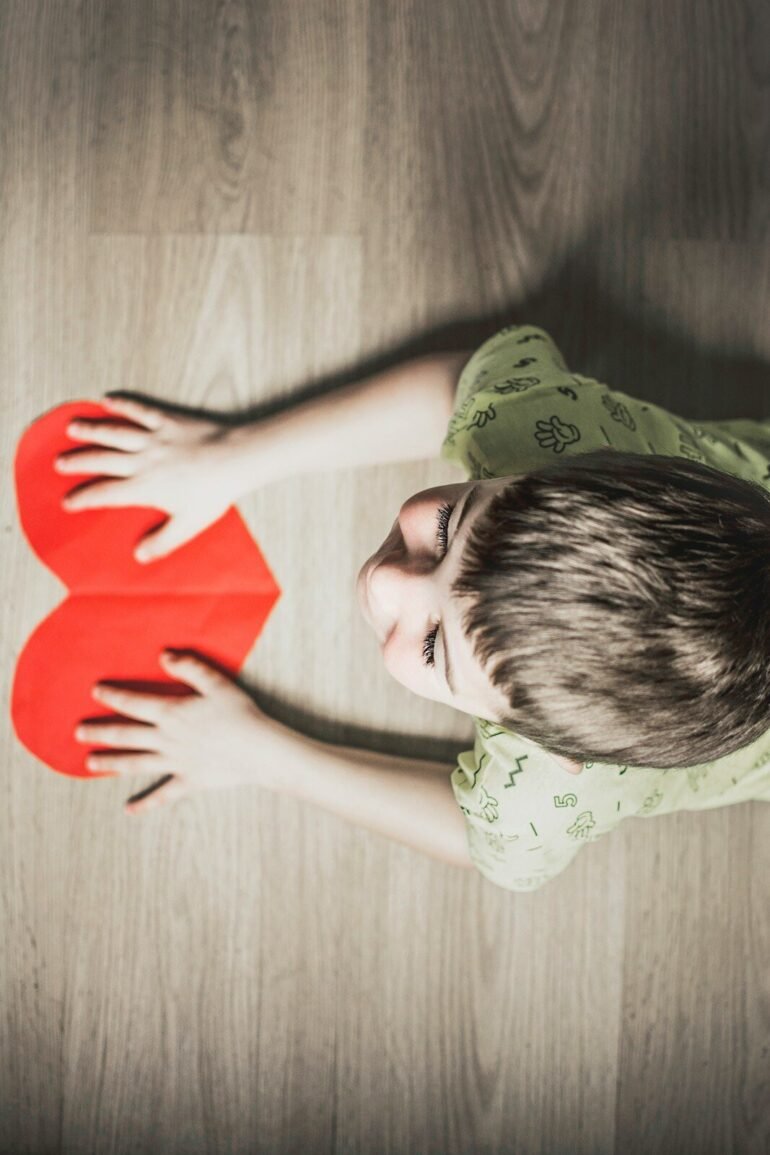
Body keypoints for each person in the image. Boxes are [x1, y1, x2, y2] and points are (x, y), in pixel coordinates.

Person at [56, 323, 770, 891]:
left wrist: (265, 755)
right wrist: (232, 454)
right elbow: (458, 389)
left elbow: (480, 839)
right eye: (447, 528)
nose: (381, 583)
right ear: (569, 461)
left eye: (434, 647)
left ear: (553, 751)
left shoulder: (551, 792)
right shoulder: (554, 427)